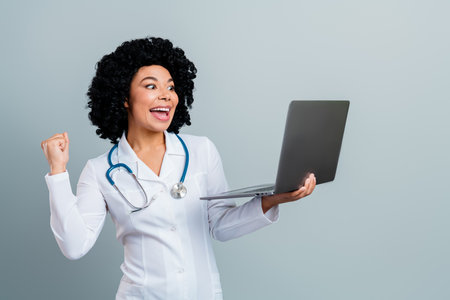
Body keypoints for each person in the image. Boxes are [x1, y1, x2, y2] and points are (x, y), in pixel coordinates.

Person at [41, 37, 316, 300]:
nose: (166, 96)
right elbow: (74, 246)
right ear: (124, 97)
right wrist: (58, 171)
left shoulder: (201, 150)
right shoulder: (100, 170)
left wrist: (273, 200)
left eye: (171, 88)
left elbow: (220, 225)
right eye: (151, 87)